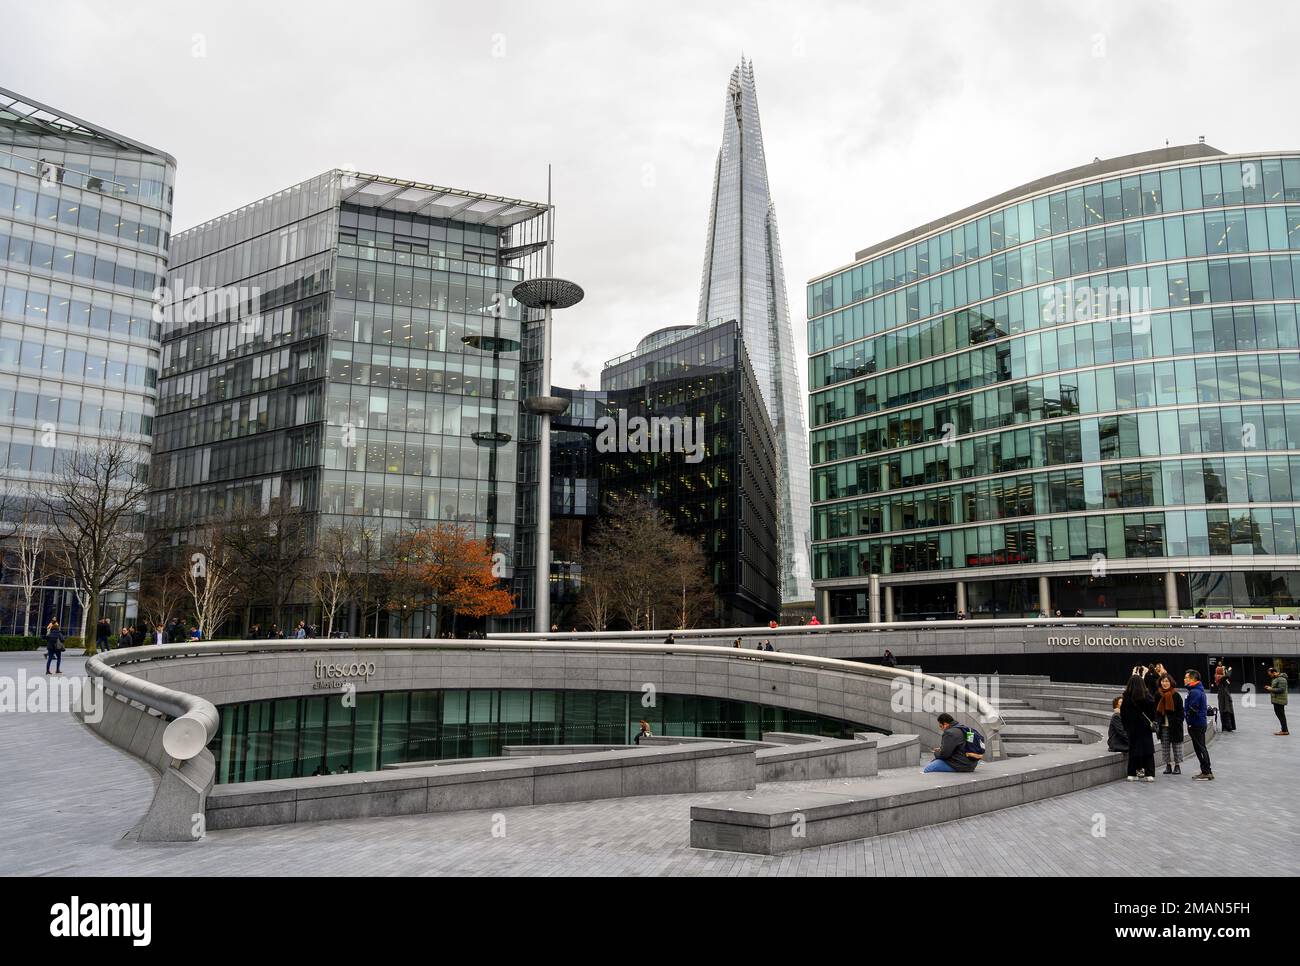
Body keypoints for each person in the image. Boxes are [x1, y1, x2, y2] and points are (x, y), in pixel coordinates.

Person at [1119, 673, 1157, 782]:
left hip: (1132, 729)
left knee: (1133, 750)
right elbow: (1153, 713)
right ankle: (1149, 774)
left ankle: (1132, 773)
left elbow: (1123, 715)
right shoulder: (1148, 697)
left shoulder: (1126, 699)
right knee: (1148, 750)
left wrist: (1127, 727)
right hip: (1145, 728)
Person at [1183, 669, 1213, 780]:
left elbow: (1192, 709)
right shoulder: (1196, 690)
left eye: (1186, 677)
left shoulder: (1194, 692)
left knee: (1200, 748)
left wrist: (1189, 721)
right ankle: (1206, 770)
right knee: (1200, 747)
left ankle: (1206, 771)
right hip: (1198, 723)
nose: (1184, 679)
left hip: (1196, 724)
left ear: (1192, 679)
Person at [1154, 674, 1185, 775]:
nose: (1165, 683)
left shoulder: (1176, 695)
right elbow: (1155, 710)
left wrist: (1178, 721)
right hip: (1163, 726)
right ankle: (1168, 765)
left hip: (1175, 725)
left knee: (1177, 746)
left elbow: (1181, 712)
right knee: (1165, 747)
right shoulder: (1158, 695)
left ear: (1171, 682)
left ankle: (1177, 766)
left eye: (1167, 681)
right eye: (1163, 681)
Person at [1265, 666, 1289, 735]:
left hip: (1280, 701)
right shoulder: (1276, 678)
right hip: (1277, 700)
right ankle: (1285, 730)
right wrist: (1270, 688)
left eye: (1270, 674)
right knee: (1280, 715)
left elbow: (1281, 689)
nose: (1270, 676)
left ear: (1274, 672)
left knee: (1281, 715)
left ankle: (1284, 731)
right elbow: (1276, 687)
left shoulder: (1281, 679)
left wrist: (1271, 689)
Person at [1213, 662, 1236, 732]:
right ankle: (1227, 726)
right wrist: (1229, 670)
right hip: (1223, 695)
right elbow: (1227, 676)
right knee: (1226, 710)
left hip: (1223, 695)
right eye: (1222, 670)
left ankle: (1227, 726)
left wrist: (1225, 670)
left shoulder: (1219, 677)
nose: (1223, 671)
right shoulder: (1219, 677)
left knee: (1226, 710)